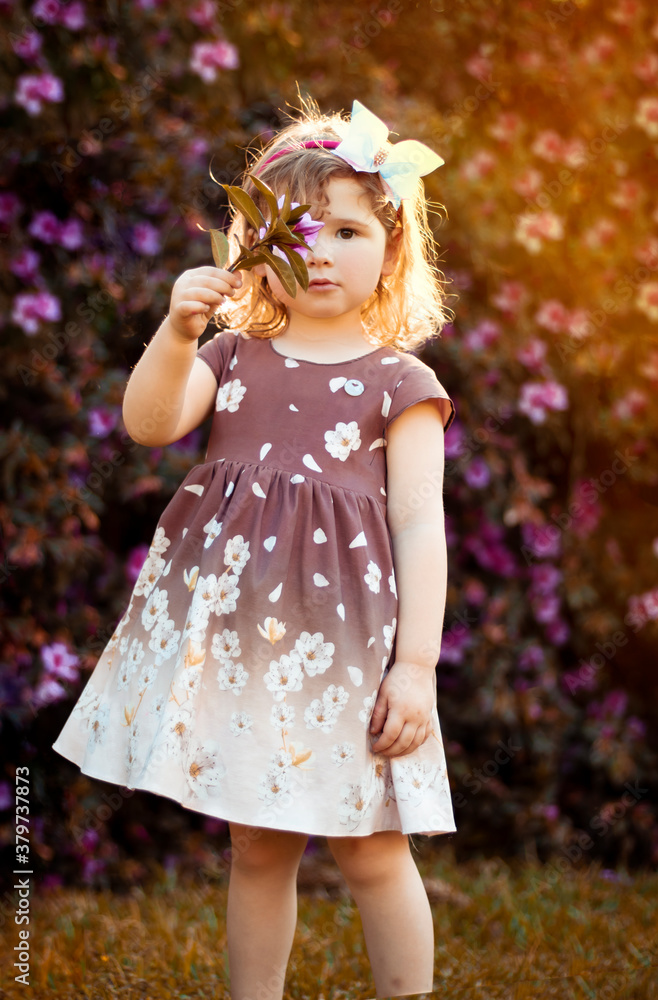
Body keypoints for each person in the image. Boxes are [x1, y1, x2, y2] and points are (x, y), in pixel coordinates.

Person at [52, 99, 458, 1000]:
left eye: (350, 230)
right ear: (253, 246)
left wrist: (416, 666)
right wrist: (177, 331)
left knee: (371, 848)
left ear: (391, 250)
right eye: (298, 230)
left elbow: (420, 524)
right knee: (257, 845)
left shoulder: (400, 383)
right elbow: (149, 424)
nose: (320, 251)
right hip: (240, 648)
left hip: (345, 653)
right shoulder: (233, 356)